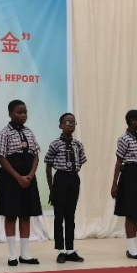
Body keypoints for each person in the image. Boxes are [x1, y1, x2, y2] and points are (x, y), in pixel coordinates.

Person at [0, 100, 42, 267]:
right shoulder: (4, 133)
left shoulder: (29, 132)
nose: (23, 115)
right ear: (10, 114)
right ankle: (12, 255)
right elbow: (1, 157)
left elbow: (35, 154)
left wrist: (30, 175)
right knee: (11, 215)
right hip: (11, 178)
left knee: (25, 214)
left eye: (25, 112)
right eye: (19, 112)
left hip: (28, 178)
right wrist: (18, 177)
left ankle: (25, 254)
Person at [45, 113, 87, 264]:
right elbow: (48, 166)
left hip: (73, 179)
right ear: (60, 125)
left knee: (70, 215)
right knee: (59, 216)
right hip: (60, 179)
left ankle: (70, 249)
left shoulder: (78, 145)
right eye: (67, 122)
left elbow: (81, 161)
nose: (70, 125)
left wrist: (73, 173)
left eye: (73, 123)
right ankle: (60, 250)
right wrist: (52, 189)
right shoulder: (55, 144)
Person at [112, 110, 137, 259]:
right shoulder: (124, 138)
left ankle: (134, 246)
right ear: (133, 121)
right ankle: (130, 248)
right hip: (129, 175)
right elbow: (119, 162)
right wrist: (114, 184)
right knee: (130, 212)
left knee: (136, 211)